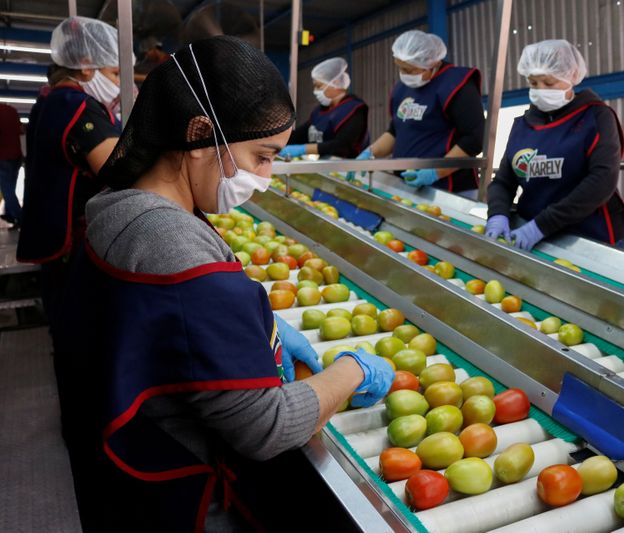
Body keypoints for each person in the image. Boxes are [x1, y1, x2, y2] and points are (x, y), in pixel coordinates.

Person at [56, 36, 393, 532]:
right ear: (199, 133)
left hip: (119, 469)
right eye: (262, 155)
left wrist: (249, 325)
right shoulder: (179, 251)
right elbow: (267, 428)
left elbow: (165, 326)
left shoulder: (118, 206)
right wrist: (353, 371)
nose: (266, 175)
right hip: (182, 491)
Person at [17, 16, 122, 329]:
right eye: (115, 73)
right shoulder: (76, 104)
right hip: (70, 241)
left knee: (63, 321)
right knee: (77, 328)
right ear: (87, 65)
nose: (119, 83)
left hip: (49, 231)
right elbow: (117, 169)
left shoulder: (49, 100)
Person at [485, 40, 624, 251]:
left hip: (590, 238)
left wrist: (540, 226)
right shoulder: (522, 125)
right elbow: (503, 182)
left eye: (549, 83)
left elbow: (602, 181)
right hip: (537, 238)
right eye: (533, 83)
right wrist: (498, 213)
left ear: (571, 76)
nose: (540, 90)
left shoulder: (596, 117)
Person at [353, 30, 485, 198]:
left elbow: (475, 138)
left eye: (409, 70)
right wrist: (369, 154)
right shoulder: (403, 88)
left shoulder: (455, 85)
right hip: (407, 185)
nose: (404, 75)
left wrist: (435, 172)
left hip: (451, 190)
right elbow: (396, 130)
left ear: (432, 63)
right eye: (400, 68)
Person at [280, 57, 369, 159]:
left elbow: (342, 146)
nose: (315, 91)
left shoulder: (354, 109)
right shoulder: (320, 112)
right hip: (325, 166)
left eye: (319, 86)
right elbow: (300, 135)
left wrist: (303, 149)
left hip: (347, 169)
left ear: (335, 84)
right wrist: (274, 139)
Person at [0, 103, 23, 227]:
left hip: (2, 156)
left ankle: (20, 217)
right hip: (16, 156)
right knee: (10, 188)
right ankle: (10, 214)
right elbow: (20, 130)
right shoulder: (12, 110)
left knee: (7, 190)